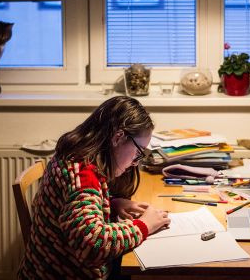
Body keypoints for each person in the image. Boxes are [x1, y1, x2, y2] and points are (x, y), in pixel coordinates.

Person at [18, 95, 171, 280]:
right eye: (138, 152)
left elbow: (75, 206)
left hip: (47, 267)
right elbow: (92, 245)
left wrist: (111, 203)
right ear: (118, 137)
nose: (134, 163)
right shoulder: (83, 175)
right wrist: (144, 225)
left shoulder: (75, 155)